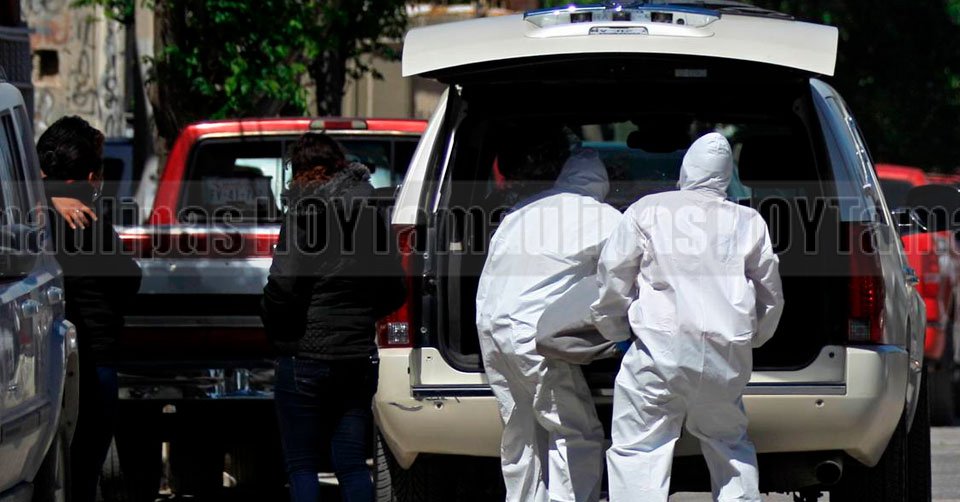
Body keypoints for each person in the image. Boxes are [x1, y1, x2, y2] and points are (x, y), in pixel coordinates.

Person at [591, 132, 784, 502]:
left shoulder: (647, 210)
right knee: (729, 443)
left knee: (640, 449)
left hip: (658, 354)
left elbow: (613, 276)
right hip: (725, 357)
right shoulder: (749, 221)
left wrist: (614, 329)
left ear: (686, 170)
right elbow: (769, 292)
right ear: (726, 176)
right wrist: (754, 336)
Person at [476, 127, 622, 502]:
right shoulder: (603, 217)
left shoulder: (520, 211)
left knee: (519, 430)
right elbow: (627, 272)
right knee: (574, 430)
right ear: (601, 184)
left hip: (491, 328)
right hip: (532, 334)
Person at [261, 132, 405, 502]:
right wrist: (361, 316)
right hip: (357, 355)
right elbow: (395, 287)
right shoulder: (371, 211)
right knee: (352, 463)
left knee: (302, 464)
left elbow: (282, 286)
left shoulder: (303, 212)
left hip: (304, 353)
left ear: (302, 170)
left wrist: (279, 331)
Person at [38, 116, 142, 502]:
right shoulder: (87, 219)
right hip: (91, 363)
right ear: (88, 176)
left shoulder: (30, 213)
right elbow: (127, 280)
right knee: (81, 476)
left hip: (44, 366)